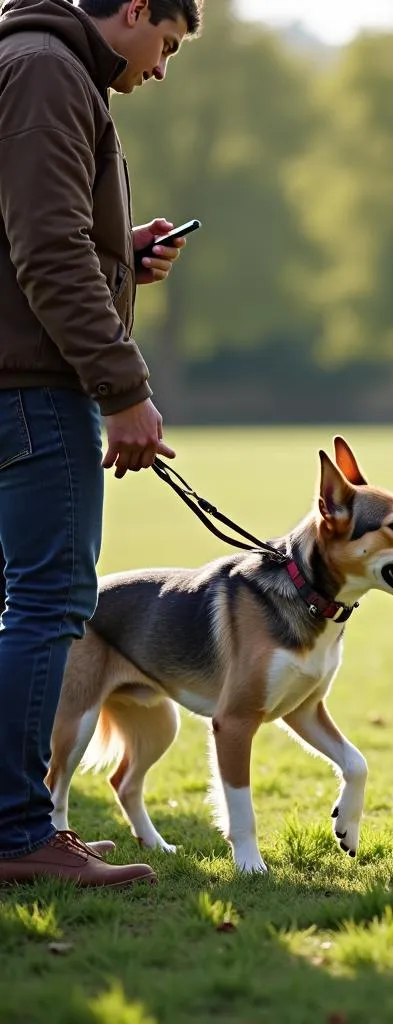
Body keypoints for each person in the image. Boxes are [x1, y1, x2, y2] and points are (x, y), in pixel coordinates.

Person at [0, 0, 202, 888]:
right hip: (35, 391)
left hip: (23, 378)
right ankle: (17, 834)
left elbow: (41, 239)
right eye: (166, 43)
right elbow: (45, 250)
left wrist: (121, 251)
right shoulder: (47, 70)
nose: (161, 68)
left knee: (25, 606)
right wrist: (124, 389)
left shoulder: (39, 63)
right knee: (48, 607)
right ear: (132, 10)